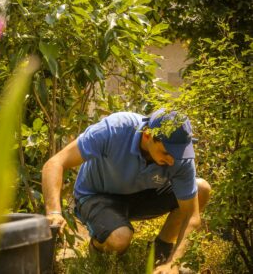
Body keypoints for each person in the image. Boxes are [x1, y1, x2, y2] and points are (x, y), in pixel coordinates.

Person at [42, 108, 211, 274]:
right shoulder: (115, 129)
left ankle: (161, 253)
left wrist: (175, 262)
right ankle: (98, 249)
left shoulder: (179, 157)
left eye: (178, 153)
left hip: (143, 194)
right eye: (167, 152)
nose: (172, 159)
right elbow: (56, 163)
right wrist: (54, 211)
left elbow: (192, 215)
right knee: (119, 238)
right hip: (97, 194)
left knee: (201, 189)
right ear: (147, 135)